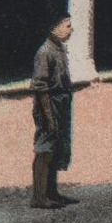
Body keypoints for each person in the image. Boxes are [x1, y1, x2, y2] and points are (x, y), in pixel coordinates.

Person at [29, 12, 77, 209]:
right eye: (67, 25)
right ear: (54, 28)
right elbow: (40, 87)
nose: (71, 29)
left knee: (57, 148)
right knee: (45, 149)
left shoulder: (59, 49)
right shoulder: (45, 51)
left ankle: (52, 192)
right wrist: (49, 115)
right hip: (48, 103)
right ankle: (39, 197)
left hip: (61, 102)